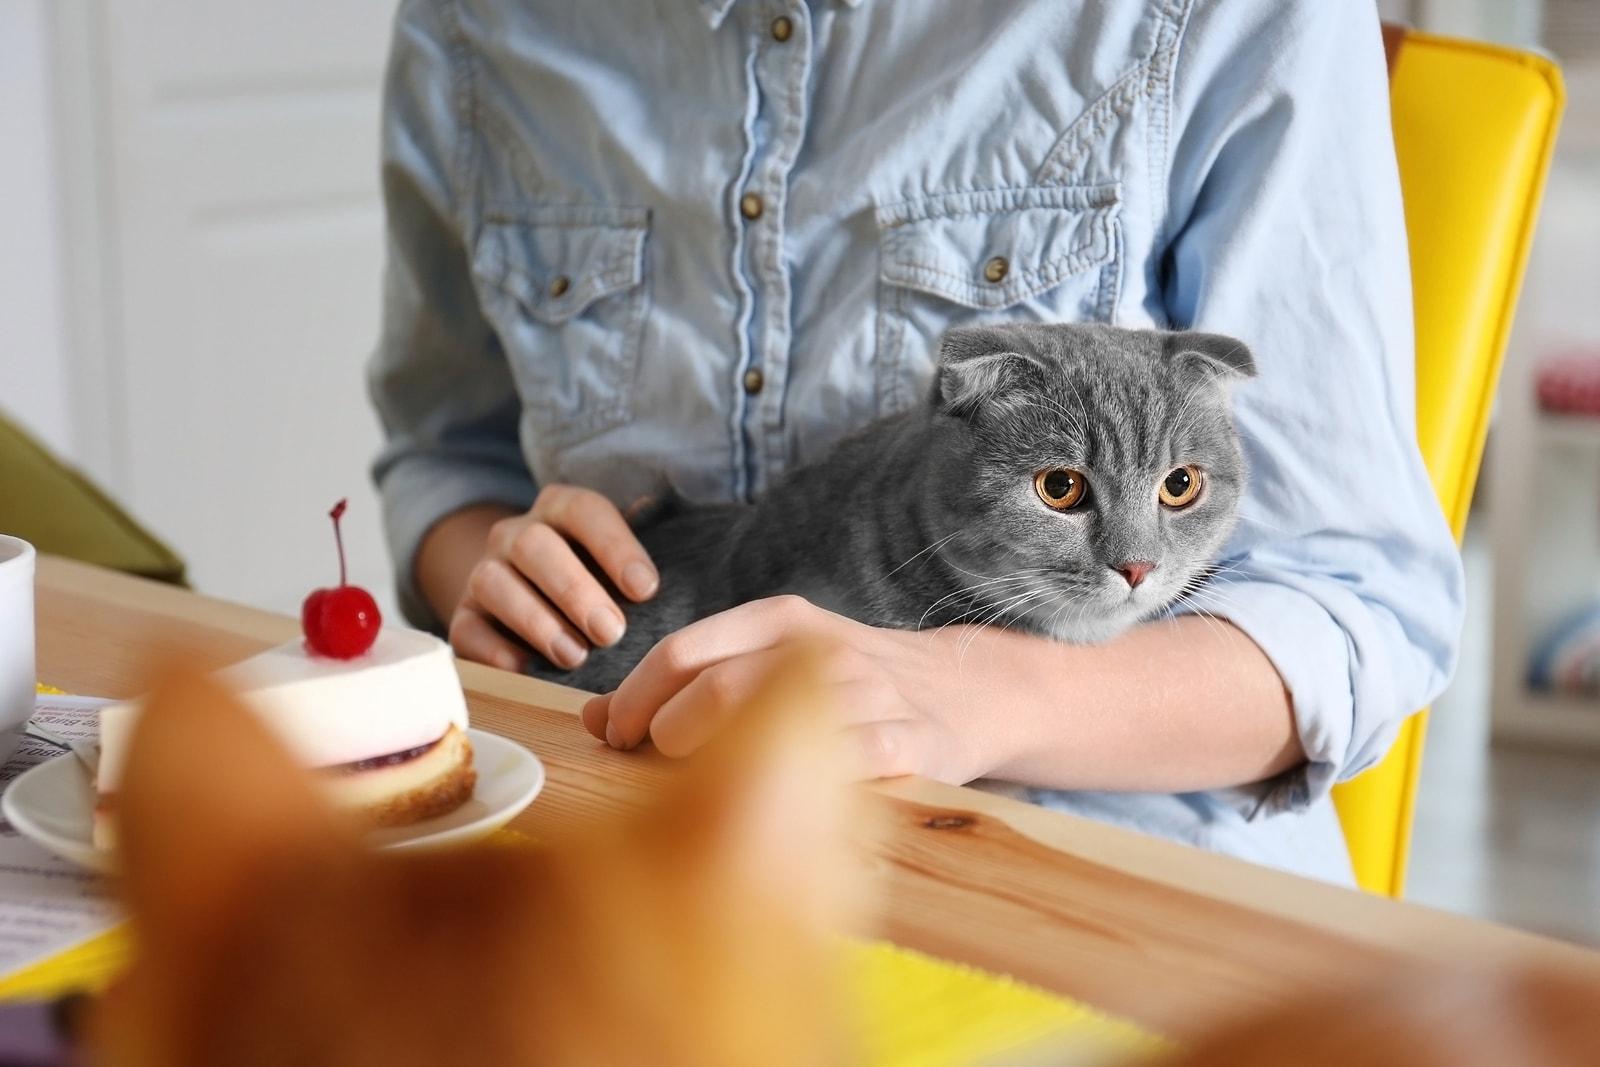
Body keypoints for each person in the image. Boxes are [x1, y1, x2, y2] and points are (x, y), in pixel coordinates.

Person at [368, 0, 1462, 884]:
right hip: (625, 812)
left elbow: (1359, 599)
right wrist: (500, 572)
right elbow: (446, 456)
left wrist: (985, 694)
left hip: (1109, 865)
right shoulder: (477, 25)